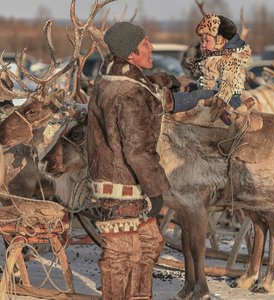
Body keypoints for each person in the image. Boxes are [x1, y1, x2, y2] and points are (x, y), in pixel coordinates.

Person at [87, 22, 176, 300]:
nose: (152, 48)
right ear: (130, 53)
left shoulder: (112, 78)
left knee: (149, 244)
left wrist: (171, 84)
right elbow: (137, 149)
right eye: (146, 43)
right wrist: (156, 191)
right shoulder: (129, 91)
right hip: (123, 184)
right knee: (123, 254)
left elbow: (146, 89)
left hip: (118, 179)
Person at [178, 13, 254, 125]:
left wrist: (221, 101)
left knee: (199, 95)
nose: (203, 45)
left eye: (207, 41)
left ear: (220, 41)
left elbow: (229, 83)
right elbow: (210, 82)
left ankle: (173, 102)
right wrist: (196, 86)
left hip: (228, 103)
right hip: (214, 96)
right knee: (197, 91)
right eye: (201, 41)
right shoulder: (212, 60)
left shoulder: (231, 60)